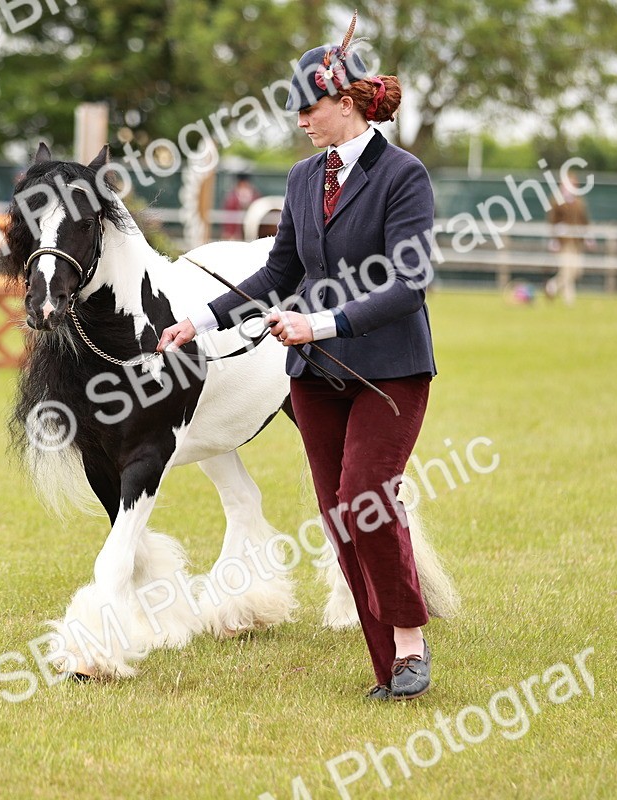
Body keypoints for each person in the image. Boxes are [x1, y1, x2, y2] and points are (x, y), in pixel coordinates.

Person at [158, 17, 438, 701]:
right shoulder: (302, 177)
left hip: (389, 373)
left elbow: (410, 282)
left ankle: (410, 640)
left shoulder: (404, 175)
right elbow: (279, 271)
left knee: (365, 499)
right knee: (340, 517)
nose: (300, 120)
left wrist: (319, 323)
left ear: (347, 102)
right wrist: (198, 320)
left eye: (309, 108)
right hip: (315, 378)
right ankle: (390, 668)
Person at [546, 177, 590, 305]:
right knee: (567, 269)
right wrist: (554, 239)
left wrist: (587, 237)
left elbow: (584, 220)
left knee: (576, 270)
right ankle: (569, 300)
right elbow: (553, 220)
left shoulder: (579, 202)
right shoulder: (557, 201)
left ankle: (553, 286)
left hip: (577, 241)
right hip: (564, 242)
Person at [222, 173, 261, 240]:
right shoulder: (232, 198)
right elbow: (229, 217)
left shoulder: (254, 195)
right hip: (235, 232)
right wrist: (229, 234)